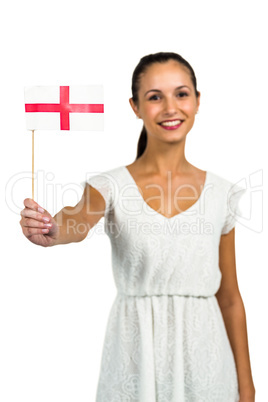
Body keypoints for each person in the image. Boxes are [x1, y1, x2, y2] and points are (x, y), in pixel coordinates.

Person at [20, 52, 256, 401]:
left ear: (197, 100)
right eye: (155, 96)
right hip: (135, 353)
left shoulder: (222, 194)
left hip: (206, 360)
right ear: (135, 106)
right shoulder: (110, 185)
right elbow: (78, 219)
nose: (170, 107)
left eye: (181, 93)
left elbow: (231, 299)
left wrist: (247, 388)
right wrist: (53, 227)